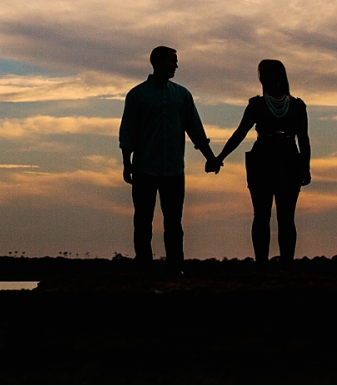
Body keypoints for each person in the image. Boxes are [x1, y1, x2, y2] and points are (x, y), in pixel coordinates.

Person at [118, 45, 219, 269]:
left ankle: (175, 266)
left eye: (176, 61)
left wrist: (209, 157)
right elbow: (128, 131)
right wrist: (127, 163)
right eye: (172, 61)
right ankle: (144, 265)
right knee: (143, 221)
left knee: (174, 222)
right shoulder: (137, 95)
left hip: (174, 169)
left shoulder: (182, 95)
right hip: (145, 167)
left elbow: (195, 129)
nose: (176, 65)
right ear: (158, 62)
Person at [211, 59, 311, 266]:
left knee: (286, 217)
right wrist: (220, 157)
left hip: (289, 159)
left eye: (267, 72)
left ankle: (286, 264)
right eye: (261, 73)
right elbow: (240, 133)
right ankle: (261, 263)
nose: (264, 77)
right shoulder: (256, 105)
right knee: (261, 215)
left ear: (279, 76)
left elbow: (304, 139)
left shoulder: (297, 106)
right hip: (262, 158)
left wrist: (305, 167)